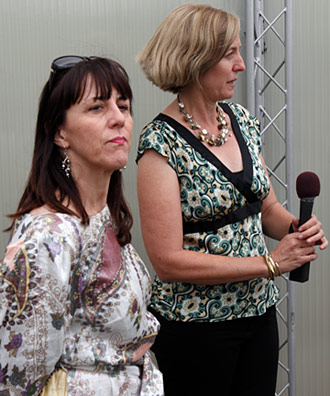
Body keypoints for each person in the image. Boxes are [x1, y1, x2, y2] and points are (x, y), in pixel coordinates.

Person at [135, 4, 328, 396]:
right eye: (230, 55)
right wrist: (271, 263)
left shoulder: (240, 120)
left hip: (257, 314)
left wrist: (295, 229)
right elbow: (167, 261)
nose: (241, 64)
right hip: (197, 328)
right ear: (194, 59)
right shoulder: (160, 145)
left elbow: (266, 209)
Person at [0, 56, 163, 396]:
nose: (119, 119)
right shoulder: (48, 235)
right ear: (60, 133)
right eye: (97, 108)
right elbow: (18, 378)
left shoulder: (103, 218)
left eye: (124, 106)